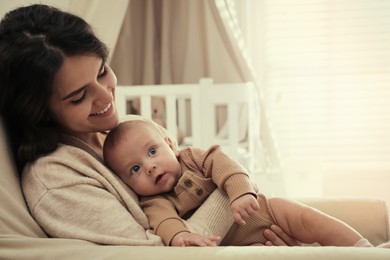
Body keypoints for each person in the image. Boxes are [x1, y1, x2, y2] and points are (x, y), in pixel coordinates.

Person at [0, 3, 250, 246]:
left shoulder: (134, 126)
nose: (107, 96)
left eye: (101, 72)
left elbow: (196, 180)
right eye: (79, 97)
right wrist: (234, 185)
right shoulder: (56, 180)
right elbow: (161, 252)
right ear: (40, 112)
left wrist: (257, 222)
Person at [103, 119, 375, 247]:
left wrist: (241, 192)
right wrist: (181, 236)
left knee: (307, 218)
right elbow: (163, 222)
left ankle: (362, 249)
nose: (150, 166)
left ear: (170, 144)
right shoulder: (154, 201)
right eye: (135, 169)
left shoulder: (194, 158)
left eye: (152, 152)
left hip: (263, 212)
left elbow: (226, 166)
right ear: (127, 184)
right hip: (238, 245)